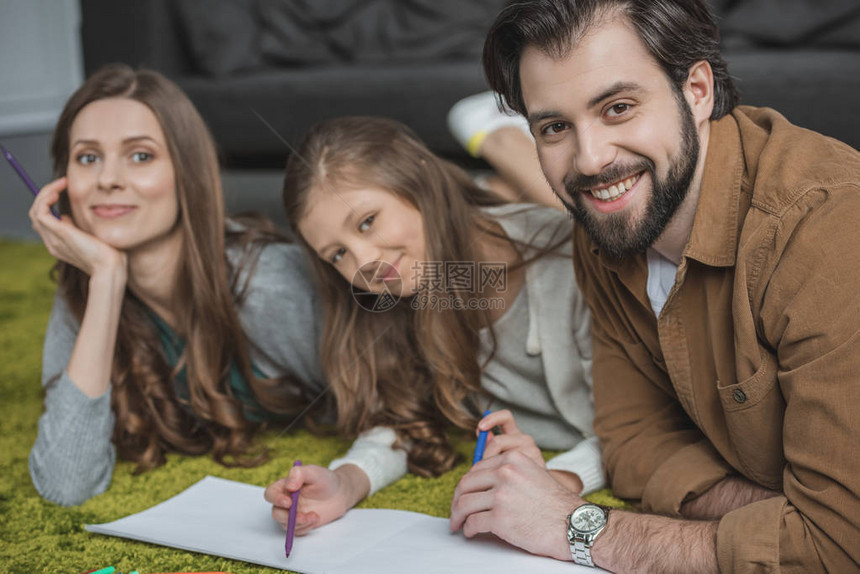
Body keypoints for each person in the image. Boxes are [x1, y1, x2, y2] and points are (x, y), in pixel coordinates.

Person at [449, 0, 860, 572]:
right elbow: (633, 444)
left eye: (618, 107)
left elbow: (839, 546)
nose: (590, 161)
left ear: (696, 90)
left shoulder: (826, 229)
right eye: (554, 127)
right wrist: (777, 517)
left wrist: (577, 526)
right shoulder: (607, 223)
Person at [263, 116, 601, 536]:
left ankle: (497, 134)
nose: (364, 262)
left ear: (418, 177)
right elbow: (406, 419)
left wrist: (561, 479)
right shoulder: (405, 293)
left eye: (367, 221)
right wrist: (347, 480)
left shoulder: (569, 255)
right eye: (337, 255)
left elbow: (648, 424)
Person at [27, 64, 328, 506]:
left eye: (140, 155)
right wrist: (107, 280)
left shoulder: (266, 283)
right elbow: (66, 483)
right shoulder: (87, 284)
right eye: (88, 158)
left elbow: (396, 399)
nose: (108, 179)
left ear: (187, 172)